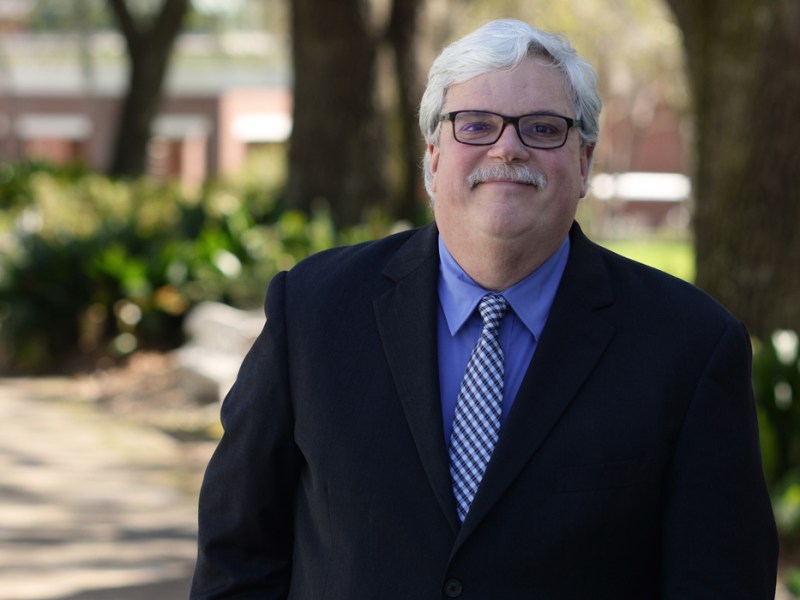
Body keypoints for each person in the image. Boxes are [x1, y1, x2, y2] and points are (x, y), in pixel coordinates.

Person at [191, 19, 778, 598]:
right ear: (434, 156)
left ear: (584, 162)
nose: (507, 147)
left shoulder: (691, 346)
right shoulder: (313, 311)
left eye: (543, 128)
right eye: (475, 125)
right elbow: (237, 555)